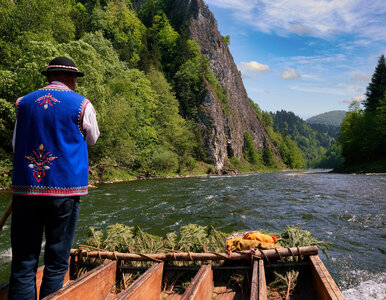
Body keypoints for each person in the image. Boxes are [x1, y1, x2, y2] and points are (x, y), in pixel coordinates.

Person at [9, 57, 100, 299]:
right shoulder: (81, 104)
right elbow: (92, 139)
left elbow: (16, 144)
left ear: (49, 77)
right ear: (71, 79)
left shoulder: (23, 103)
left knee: (23, 262)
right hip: (64, 192)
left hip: (26, 190)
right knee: (57, 261)